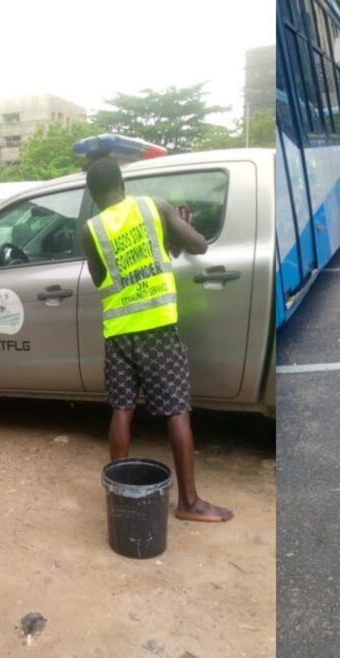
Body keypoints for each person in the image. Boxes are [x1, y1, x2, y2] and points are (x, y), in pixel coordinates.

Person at [80, 157, 232, 523]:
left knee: (122, 410)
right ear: (122, 183)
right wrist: (183, 227)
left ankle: (120, 499)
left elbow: (104, 281)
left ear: (93, 194)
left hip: (119, 331)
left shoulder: (91, 230)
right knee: (177, 411)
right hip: (159, 327)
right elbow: (197, 247)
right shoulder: (155, 207)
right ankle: (189, 503)